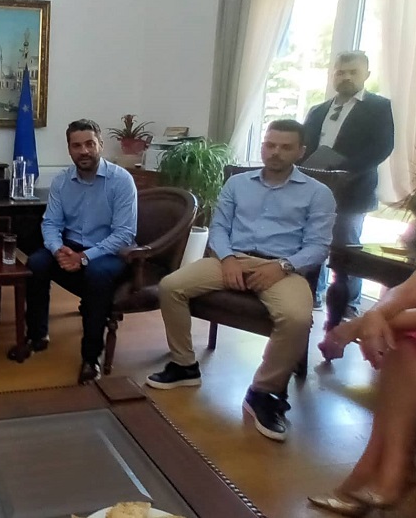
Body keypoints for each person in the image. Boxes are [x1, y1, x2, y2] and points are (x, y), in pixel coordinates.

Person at [146, 120, 336, 442]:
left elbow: (318, 246)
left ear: (301, 152)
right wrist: (227, 258)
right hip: (231, 259)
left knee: (297, 317)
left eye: (285, 147)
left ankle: (264, 392)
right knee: (171, 286)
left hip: (282, 268)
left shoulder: (318, 193)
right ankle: (184, 365)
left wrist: (283, 266)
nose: (275, 152)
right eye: (270, 145)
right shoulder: (238, 183)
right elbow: (219, 228)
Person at [309, 164, 416, 515]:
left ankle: (378, 474)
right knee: (415, 343)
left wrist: (364, 324)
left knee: (414, 337)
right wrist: (375, 317)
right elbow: (410, 291)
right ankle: (391, 471)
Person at [18, 118, 136, 385]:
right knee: (36, 263)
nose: (84, 151)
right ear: (69, 149)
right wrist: (57, 249)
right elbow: (51, 223)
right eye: (77, 146)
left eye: (90, 144)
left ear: (100, 144)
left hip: (109, 253)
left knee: (96, 274)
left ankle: (91, 357)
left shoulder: (121, 181)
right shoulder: (62, 181)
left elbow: (124, 234)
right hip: (70, 247)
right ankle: (37, 335)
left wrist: (84, 257)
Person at [303, 51, 394, 315]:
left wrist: (345, 169)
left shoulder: (379, 107)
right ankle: (312, 294)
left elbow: (382, 147)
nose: (346, 77)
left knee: (346, 249)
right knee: (314, 241)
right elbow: (305, 144)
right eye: (340, 72)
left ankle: (348, 304)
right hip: (317, 187)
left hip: (354, 188)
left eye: (353, 72)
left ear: (366, 74)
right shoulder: (318, 110)